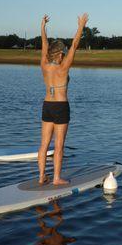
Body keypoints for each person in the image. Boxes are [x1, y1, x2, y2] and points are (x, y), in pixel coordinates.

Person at [38, 13, 88, 186]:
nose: (64, 55)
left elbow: (44, 44)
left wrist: (42, 27)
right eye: (63, 53)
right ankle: (56, 178)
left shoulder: (44, 65)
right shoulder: (63, 68)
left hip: (47, 105)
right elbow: (75, 45)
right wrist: (81, 26)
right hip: (60, 106)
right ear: (59, 54)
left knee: (44, 144)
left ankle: (41, 176)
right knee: (59, 145)